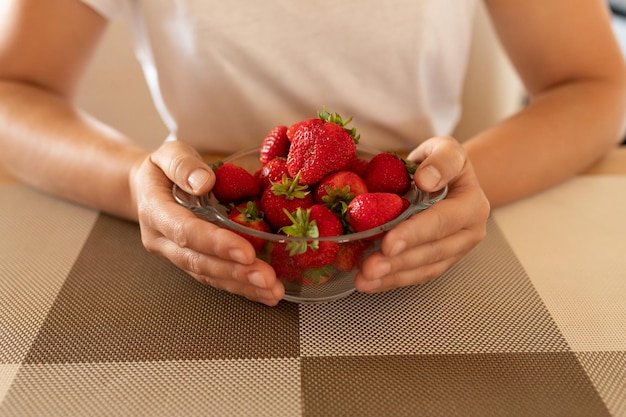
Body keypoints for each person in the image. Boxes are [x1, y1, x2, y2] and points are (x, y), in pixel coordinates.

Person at [0, 0, 624, 306]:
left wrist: (452, 185)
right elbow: (13, 90)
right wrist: (135, 185)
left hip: (419, 242)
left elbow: (597, 85)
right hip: (209, 232)